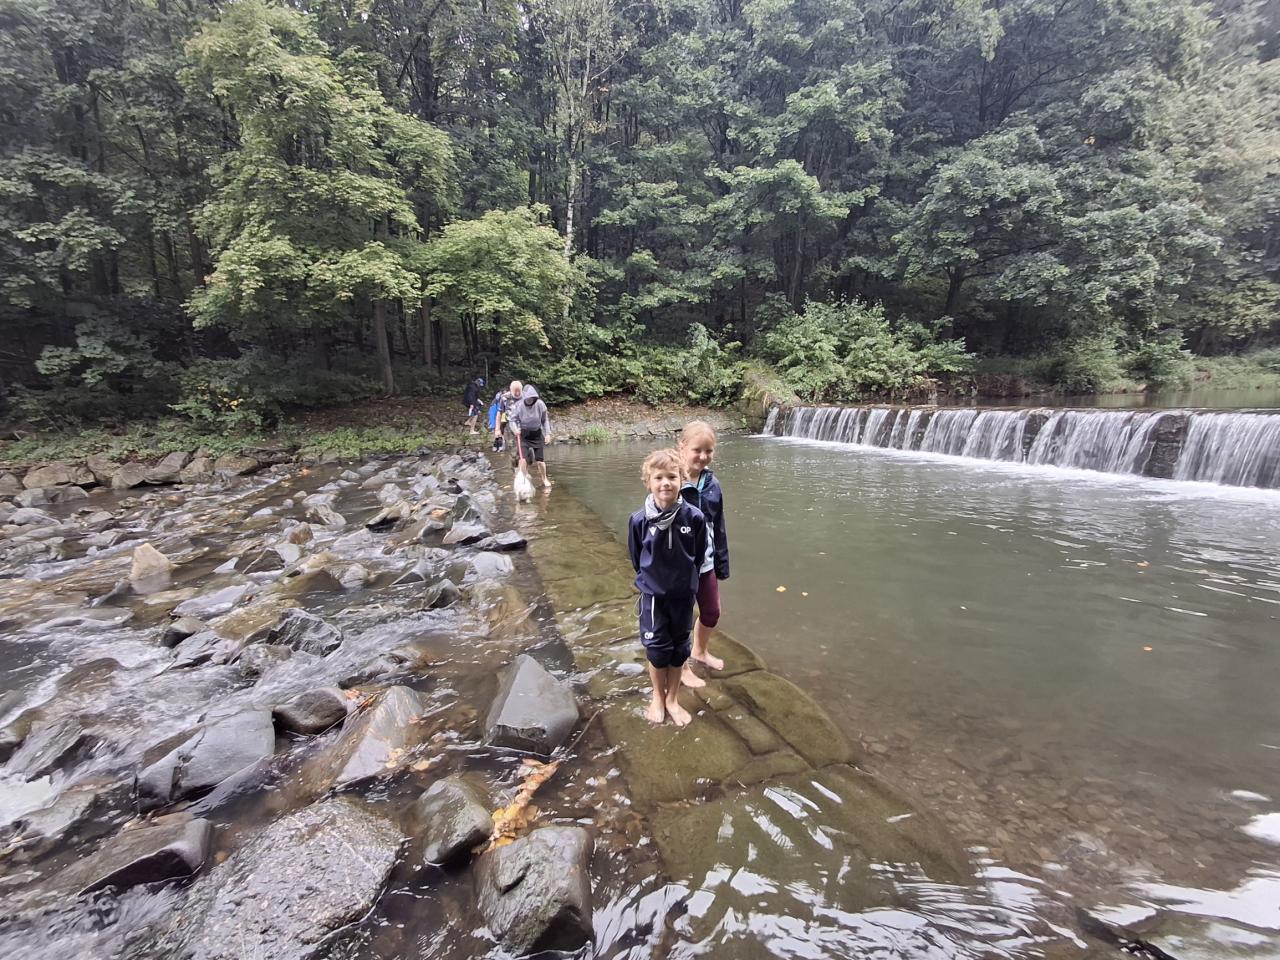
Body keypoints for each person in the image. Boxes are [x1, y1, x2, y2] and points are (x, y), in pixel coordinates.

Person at [628, 448, 707, 726]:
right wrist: (653, 582)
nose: (665, 483)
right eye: (658, 477)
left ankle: (672, 698)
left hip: (683, 596)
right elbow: (636, 558)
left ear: (682, 480)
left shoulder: (694, 518)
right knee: (657, 650)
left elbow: (698, 556)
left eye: (672, 477)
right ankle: (657, 697)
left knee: (679, 649)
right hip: (654, 598)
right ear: (648, 482)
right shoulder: (639, 520)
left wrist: (685, 581)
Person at [677, 421, 729, 689]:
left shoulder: (712, 484)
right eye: (697, 450)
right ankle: (682, 667)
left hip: (706, 562)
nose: (703, 456)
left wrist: (721, 562)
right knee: (680, 618)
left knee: (711, 611)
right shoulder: (670, 480)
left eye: (708, 451)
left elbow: (718, 525)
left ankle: (700, 650)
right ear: (682, 447)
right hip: (678, 567)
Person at [510, 383, 552, 490]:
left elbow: (545, 420)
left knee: (540, 460)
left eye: (532, 399)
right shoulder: (519, 405)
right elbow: (512, 420)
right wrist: (515, 430)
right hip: (523, 434)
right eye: (528, 399)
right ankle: (524, 479)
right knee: (523, 459)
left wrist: (547, 434)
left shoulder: (540, 404)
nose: (530, 401)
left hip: (536, 434)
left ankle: (544, 478)